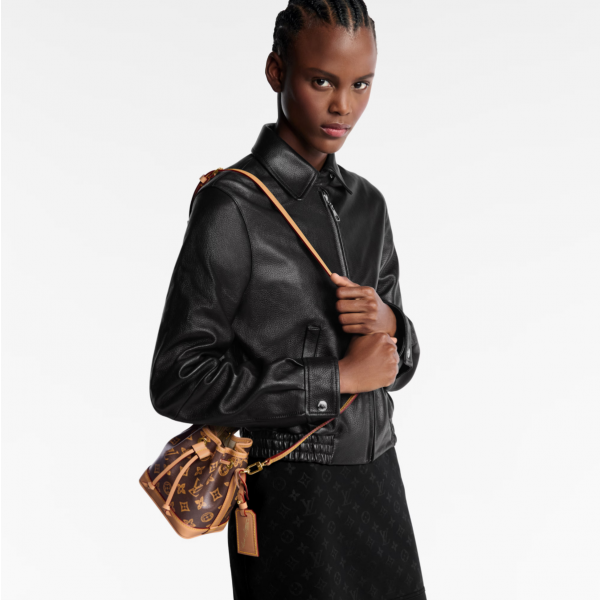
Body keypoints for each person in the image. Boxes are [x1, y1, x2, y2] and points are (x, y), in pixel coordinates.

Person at [149, 1, 427, 598]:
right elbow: (177, 378)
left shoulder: (368, 205)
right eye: (321, 81)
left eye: (361, 84)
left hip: (379, 475)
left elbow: (399, 366)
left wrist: (391, 325)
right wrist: (336, 378)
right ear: (277, 72)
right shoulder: (233, 207)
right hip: (289, 491)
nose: (343, 105)